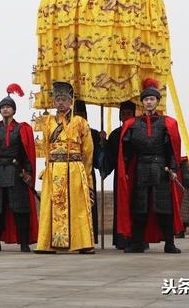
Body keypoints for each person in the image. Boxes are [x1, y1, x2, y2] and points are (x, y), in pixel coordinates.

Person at [116, 79, 184, 254]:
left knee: (164, 207)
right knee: (140, 207)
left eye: (152, 99)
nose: (149, 102)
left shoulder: (167, 123)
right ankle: (138, 243)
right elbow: (127, 150)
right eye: (146, 99)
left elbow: (172, 149)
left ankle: (169, 243)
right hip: (140, 168)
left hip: (161, 168)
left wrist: (174, 169)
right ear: (142, 102)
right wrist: (125, 169)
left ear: (157, 101)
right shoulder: (132, 124)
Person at [36, 82, 94, 254]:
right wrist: (47, 167)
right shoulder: (47, 122)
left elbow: (88, 150)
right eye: (57, 99)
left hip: (74, 168)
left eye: (64, 99)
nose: (60, 103)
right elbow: (46, 147)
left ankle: (82, 243)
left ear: (71, 101)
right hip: (54, 168)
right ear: (53, 102)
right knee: (51, 204)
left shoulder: (80, 122)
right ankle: (47, 243)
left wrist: (86, 173)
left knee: (77, 205)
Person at [0, 83, 38, 252]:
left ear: (13, 110)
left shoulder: (22, 129)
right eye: (3, 107)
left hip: (16, 171)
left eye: (8, 107)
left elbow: (26, 153)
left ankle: (24, 242)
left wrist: (28, 172)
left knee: (20, 207)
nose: (5, 110)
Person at [103, 101, 137, 250]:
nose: (125, 116)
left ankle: (138, 239)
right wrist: (103, 144)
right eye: (123, 114)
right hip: (120, 174)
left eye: (129, 114)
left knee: (137, 205)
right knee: (121, 204)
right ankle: (122, 239)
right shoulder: (116, 134)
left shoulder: (138, 130)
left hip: (136, 172)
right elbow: (109, 157)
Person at [73, 100, 104, 245]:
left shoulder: (94, 133)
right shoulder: (65, 130)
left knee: (89, 204)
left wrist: (103, 143)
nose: (79, 117)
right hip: (71, 173)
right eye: (76, 114)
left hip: (88, 172)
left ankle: (90, 238)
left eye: (82, 115)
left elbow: (98, 159)